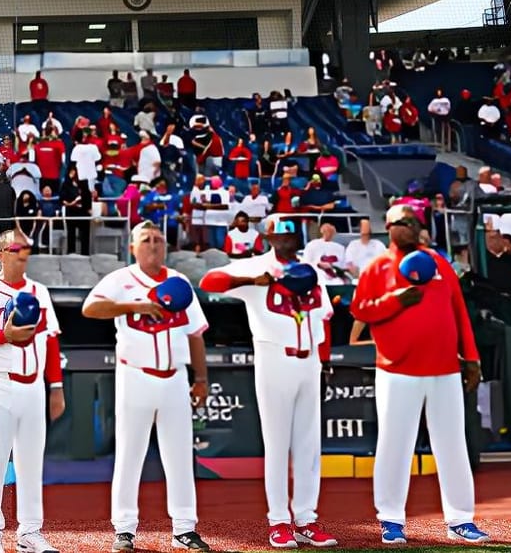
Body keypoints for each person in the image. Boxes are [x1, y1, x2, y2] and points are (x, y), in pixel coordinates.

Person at [349, 204, 488, 546]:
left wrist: (471, 358)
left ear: (419, 227)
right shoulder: (377, 266)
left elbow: (459, 312)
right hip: (397, 369)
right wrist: (395, 301)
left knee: (453, 444)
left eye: (407, 222)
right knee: (395, 445)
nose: (401, 227)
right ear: (388, 228)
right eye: (394, 222)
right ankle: (391, 519)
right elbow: (359, 309)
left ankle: (460, 519)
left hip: (444, 368)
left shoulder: (439, 263)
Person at [198, 215, 337, 549]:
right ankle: (279, 521)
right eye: (281, 236)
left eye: (292, 235)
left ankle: (306, 519)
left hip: (309, 359)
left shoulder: (311, 270)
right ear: (269, 237)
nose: (288, 241)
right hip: (275, 356)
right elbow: (208, 282)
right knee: (276, 444)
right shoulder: (256, 266)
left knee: (308, 445)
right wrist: (252, 280)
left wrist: (325, 361)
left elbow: (325, 318)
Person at [84, 222, 212, 552]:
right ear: (132, 247)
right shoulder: (121, 280)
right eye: (146, 239)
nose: (153, 244)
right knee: (129, 454)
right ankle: (124, 530)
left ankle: (185, 528)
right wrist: (134, 306)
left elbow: (196, 333)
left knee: (181, 456)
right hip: (135, 375)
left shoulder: (179, 281)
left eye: (158, 239)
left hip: (174, 377)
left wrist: (201, 379)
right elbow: (90, 308)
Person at [0, 229, 63, 553]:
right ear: (0, 253)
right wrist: (3, 335)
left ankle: (30, 532)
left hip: (33, 385)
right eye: (14, 248)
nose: (21, 253)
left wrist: (56, 385)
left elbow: (51, 340)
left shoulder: (40, 291)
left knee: (32, 463)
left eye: (25, 249)